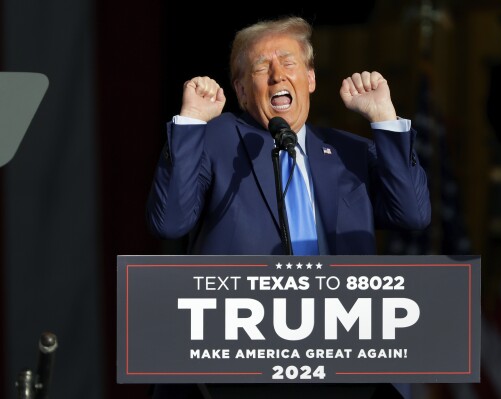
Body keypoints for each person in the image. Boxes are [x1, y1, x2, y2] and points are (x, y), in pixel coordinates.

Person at [146, 15, 430, 399]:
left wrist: (384, 117)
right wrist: (193, 120)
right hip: (242, 369)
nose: (278, 75)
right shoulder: (219, 141)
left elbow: (412, 212)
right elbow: (169, 222)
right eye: (262, 68)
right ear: (243, 92)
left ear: (310, 79)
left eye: (289, 62)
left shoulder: (349, 153)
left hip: (345, 365)